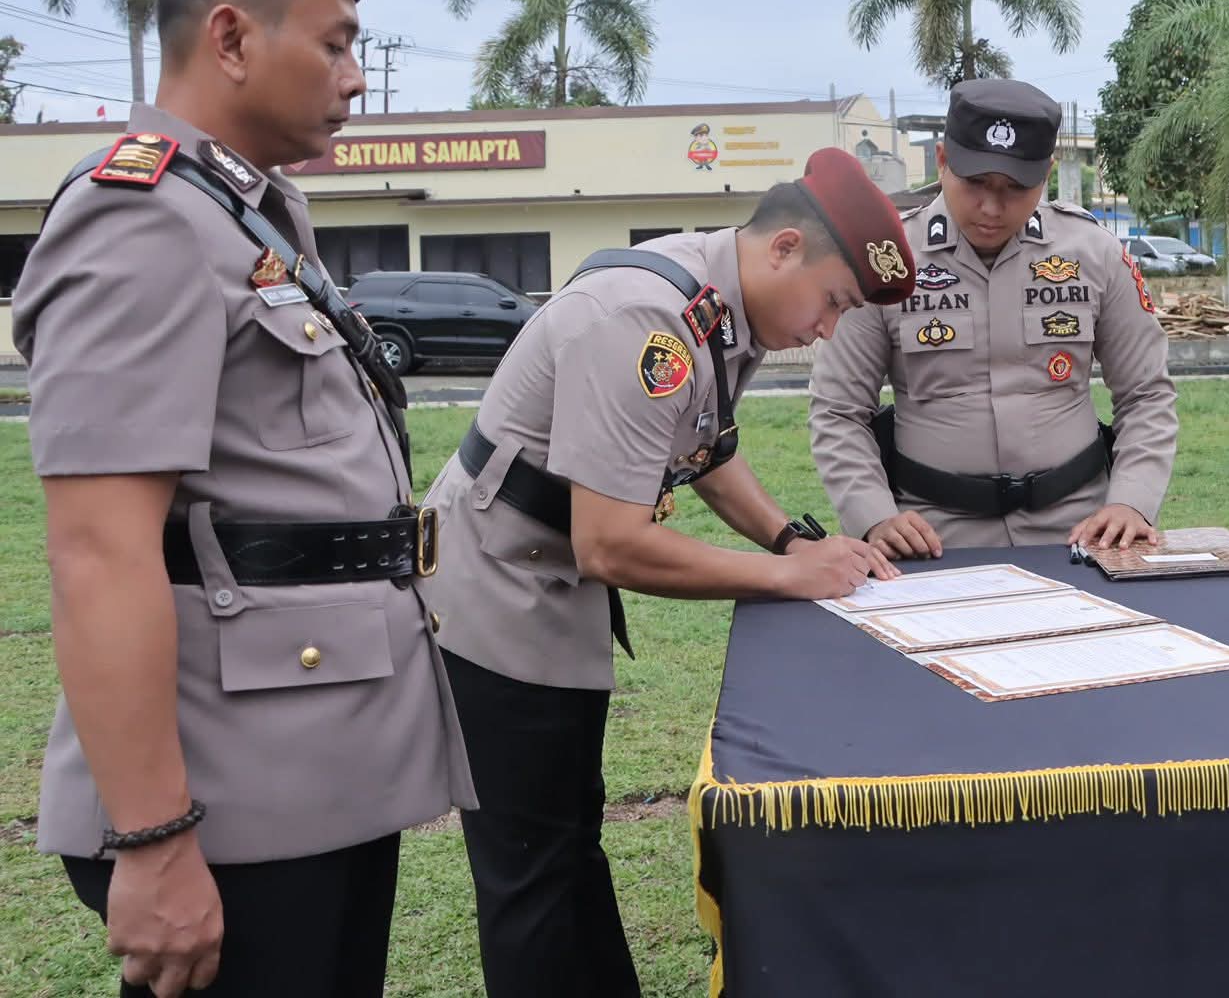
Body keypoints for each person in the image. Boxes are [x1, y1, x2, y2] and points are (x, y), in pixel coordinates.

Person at [13, 0, 473, 997]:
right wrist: (154, 839)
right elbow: (98, 551)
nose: (358, 75)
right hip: (228, 794)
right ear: (229, 38)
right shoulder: (143, 218)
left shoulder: (246, 212)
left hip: (306, 758)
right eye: (337, 43)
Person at [417, 147, 913, 996]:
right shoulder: (642, 320)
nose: (829, 329)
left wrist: (788, 540)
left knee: (567, 838)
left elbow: (705, 448)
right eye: (833, 301)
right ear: (785, 247)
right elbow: (609, 544)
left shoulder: (720, 308)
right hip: (496, 593)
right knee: (531, 866)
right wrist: (788, 578)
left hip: (545, 580)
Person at [808, 77, 1178, 555]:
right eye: (975, 182)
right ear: (942, 161)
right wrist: (873, 516)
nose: (991, 207)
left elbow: (1147, 394)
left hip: (1080, 528)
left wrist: (1132, 502)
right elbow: (838, 411)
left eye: (1015, 188)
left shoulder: (1093, 254)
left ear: (1045, 174)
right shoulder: (887, 260)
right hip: (932, 536)